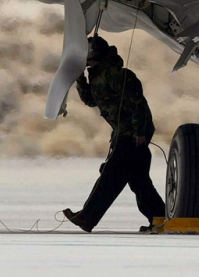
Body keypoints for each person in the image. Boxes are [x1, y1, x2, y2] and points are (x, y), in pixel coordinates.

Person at [62, 36, 165, 233]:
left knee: (110, 176)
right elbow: (92, 101)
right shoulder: (99, 76)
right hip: (123, 132)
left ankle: (87, 217)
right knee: (139, 181)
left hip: (132, 133)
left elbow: (137, 103)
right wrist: (80, 79)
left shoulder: (118, 75)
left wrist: (139, 131)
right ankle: (160, 218)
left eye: (88, 49)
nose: (85, 52)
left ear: (96, 53)